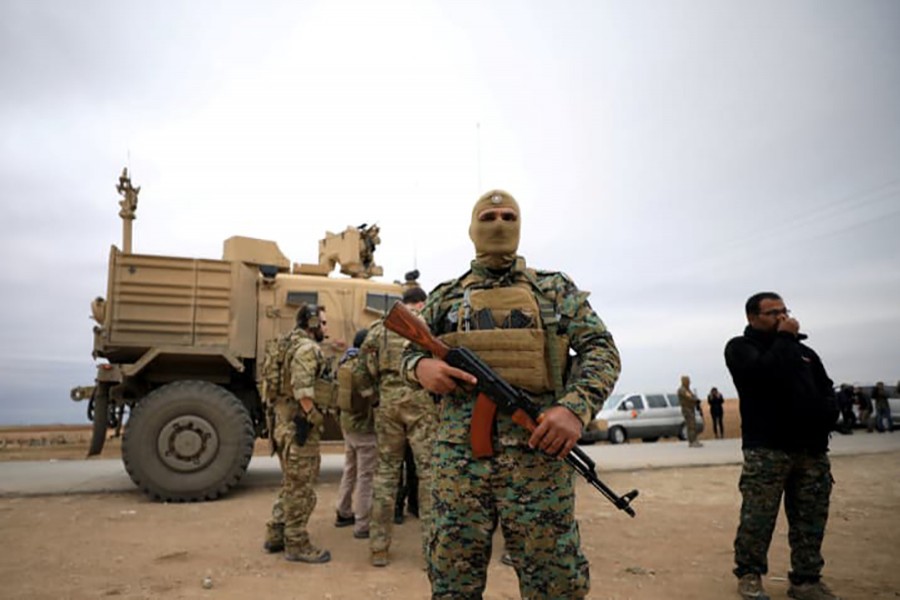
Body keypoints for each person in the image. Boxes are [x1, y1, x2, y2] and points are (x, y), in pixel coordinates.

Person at [400, 190, 621, 599]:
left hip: (538, 456)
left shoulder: (553, 291)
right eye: (488, 216)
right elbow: (407, 349)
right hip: (459, 464)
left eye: (507, 216)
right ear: (471, 229)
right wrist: (421, 367)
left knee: (555, 582)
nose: (498, 224)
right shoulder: (446, 296)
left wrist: (574, 409)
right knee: (452, 581)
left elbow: (601, 350)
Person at [724, 292, 840, 600]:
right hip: (767, 450)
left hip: (811, 451)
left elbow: (826, 388)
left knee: (810, 519)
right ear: (752, 317)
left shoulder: (806, 354)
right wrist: (787, 340)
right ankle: (749, 575)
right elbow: (763, 375)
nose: (781, 317)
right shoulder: (741, 348)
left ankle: (806, 580)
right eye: (772, 312)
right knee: (758, 517)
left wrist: (827, 415)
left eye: (783, 311)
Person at [354, 286, 438, 568]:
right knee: (428, 476)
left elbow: (360, 372)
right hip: (419, 401)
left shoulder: (378, 329)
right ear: (420, 303)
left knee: (386, 475)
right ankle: (431, 552)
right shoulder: (425, 326)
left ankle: (379, 548)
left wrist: (374, 398)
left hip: (388, 405)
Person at [262, 303, 332, 564]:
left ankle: (276, 533)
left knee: (291, 484)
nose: (325, 328)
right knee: (301, 488)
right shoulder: (306, 349)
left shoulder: (286, 344)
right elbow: (303, 390)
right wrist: (314, 417)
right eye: (323, 323)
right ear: (312, 324)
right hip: (298, 428)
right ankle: (297, 543)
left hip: (282, 424)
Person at [334, 329, 377, 539]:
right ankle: (362, 524)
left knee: (350, 469)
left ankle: (343, 511)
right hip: (364, 428)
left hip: (347, 425)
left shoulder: (344, 362)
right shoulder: (363, 368)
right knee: (365, 477)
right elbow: (371, 397)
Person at [678, 375, 703, 447]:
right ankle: (692, 441)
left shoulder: (687, 389)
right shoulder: (682, 390)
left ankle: (694, 440)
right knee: (690, 425)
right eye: (688, 381)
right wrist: (695, 400)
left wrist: (696, 400)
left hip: (691, 408)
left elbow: (693, 396)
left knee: (693, 425)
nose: (689, 382)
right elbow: (689, 397)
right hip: (687, 409)